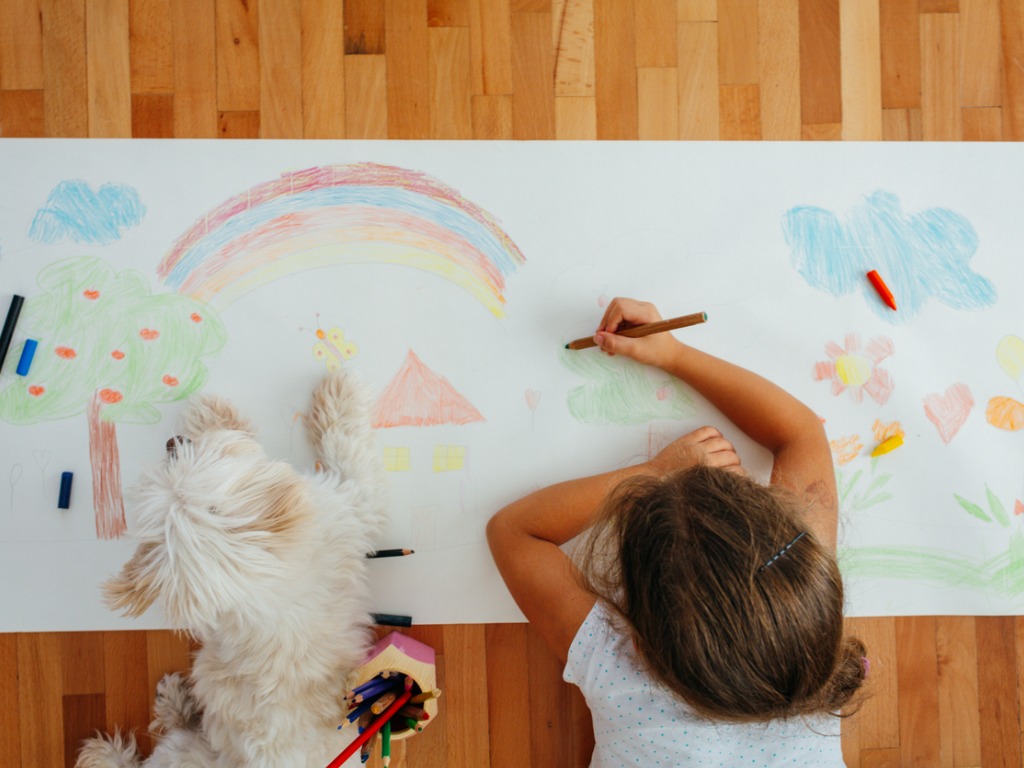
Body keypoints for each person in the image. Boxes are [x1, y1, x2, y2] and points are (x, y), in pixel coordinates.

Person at [487, 297, 866, 766]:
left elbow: (513, 530)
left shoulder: (620, 667)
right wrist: (674, 354)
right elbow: (803, 434)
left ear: (642, 640)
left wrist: (657, 471)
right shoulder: (802, 616)